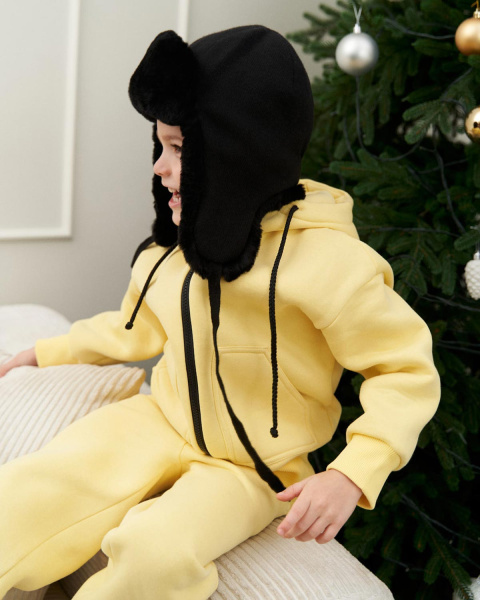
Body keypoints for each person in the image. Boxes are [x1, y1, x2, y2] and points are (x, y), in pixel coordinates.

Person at [0, 25, 440, 600]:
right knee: (34, 489)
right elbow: (133, 326)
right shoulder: (178, 248)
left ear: (238, 154)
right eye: (160, 147)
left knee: (156, 554)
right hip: (161, 418)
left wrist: (352, 473)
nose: (160, 167)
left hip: (254, 468)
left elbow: (404, 370)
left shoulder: (330, 265)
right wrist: (45, 352)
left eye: (180, 149)